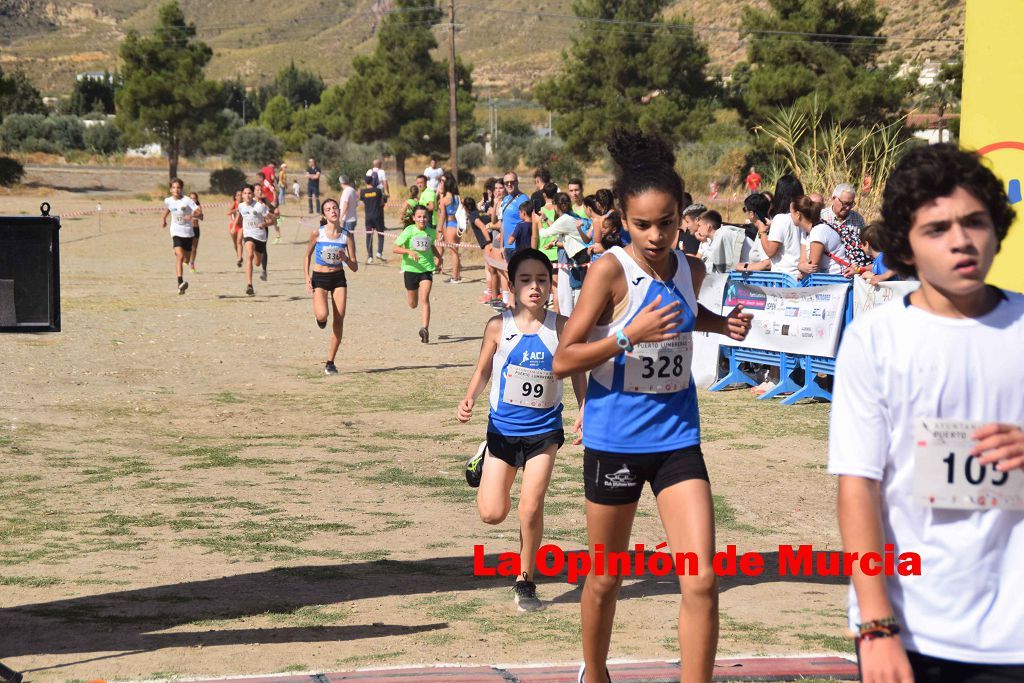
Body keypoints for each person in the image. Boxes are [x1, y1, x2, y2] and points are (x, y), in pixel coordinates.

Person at [552, 129, 752, 683]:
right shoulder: (609, 270)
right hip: (615, 441)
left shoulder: (691, 268)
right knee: (606, 578)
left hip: (677, 441)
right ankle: (594, 672)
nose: (657, 234)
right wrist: (625, 335)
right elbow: (564, 359)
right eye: (643, 224)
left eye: (667, 222)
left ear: (681, 215)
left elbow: (686, 315)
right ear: (622, 216)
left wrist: (722, 324)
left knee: (702, 579)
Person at [829, 143, 1024, 683]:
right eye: (937, 229)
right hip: (915, 630)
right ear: (906, 248)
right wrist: (877, 625)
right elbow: (858, 485)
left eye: (975, 222)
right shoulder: (874, 340)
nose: (961, 240)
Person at [458, 248, 587, 612]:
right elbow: (484, 369)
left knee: (530, 507)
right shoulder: (499, 326)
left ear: (551, 285)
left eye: (542, 280)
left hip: (544, 431)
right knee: (492, 513)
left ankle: (525, 579)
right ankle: (483, 456)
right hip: (501, 431)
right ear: (511, 285)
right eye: (526, 280)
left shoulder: (562, 327)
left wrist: (584, 408)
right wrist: (469, 398)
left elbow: (578, 369)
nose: (535, 287)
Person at [304, 198, 358, 376]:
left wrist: (345, 259)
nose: (333, 211)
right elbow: (307, 257)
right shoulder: (317, 233)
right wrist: (307, 279)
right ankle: (320, 318)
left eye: (335, 208)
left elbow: (355, 267)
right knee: (322, 315)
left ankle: (330, 362)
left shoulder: (347, 235)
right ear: (324, 214)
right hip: (319, 278)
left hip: (338, 278)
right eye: (328, 209)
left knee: (339, 319)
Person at [393, 205, 435, 343]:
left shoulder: (431, 232)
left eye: (424, 217)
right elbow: (395, 248)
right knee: (413, 304)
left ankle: (425, 329)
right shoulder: (409, 231)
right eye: (419, 217)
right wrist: (409, 252)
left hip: (426, 269)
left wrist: (439, 257)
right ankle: (412, 301)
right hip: (410, 270)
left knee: (425, 299)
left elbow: (431, 246)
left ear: (428, 218)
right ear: (414, 218)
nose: (422, 219)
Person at [755, 174, 804, 279]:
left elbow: (770, 252)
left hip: (783, 278)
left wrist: (762, 232)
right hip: (800, 276)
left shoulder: (780, 219)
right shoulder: (802, 216)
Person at [161, 178, 202, 295]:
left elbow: (200, 213)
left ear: (181, 189)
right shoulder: (168, 200)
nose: (176, 190)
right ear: (170, 189)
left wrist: (192, 215)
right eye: (173, 187)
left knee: (186, 259)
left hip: (188, 233)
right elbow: (169, 208)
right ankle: (180, 283)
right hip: (176, 231)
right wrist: (164, 218)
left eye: (178, 187)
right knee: (179, 256)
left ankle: (186, 259)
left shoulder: (187, 200)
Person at [792, 195, 847, 277]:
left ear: (798, 214)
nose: (790, 216)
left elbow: (812, 268)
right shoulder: (806, 233)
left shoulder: (817, 232)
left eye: (791, 213)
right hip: (827, 279)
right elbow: (802, 263)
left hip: (838, 279)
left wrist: (801, 268)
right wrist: (800, 266)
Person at [821, 183, 870, 272]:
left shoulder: (858, 219)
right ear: (833, 199)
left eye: (851, 204)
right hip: (827, 271)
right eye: (844, 203)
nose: (847, 208)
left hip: (852, 271)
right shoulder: (821, 217)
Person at [238, 184, 270, 296]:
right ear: (242, 195)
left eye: (249, 193)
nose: (247, 195)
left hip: (260, 236)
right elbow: (240, 219)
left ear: (253, 194)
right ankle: (249, 285)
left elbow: (272, 220)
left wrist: (264, 223)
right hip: (248, 235)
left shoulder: (260, 206)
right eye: (245, 193)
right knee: (249, 255)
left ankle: (260, 267)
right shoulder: (240, 206)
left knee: (257, 263)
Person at [695, 210, 746, 274]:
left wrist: (705, 242)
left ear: (708, 227)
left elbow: (713, 260)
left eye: (699, 225)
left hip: (749, 271)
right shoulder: (717, 237)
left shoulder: (722, 234)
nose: (698, 229)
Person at [736, 193, 772, 272]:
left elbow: (767, 263)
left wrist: (744, 266)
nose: (745, 213)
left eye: (745, 210)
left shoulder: (765, 231)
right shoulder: (764, 228)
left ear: (752, 214)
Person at [439, 171, 463, 283]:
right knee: (456, 251)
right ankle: (457, 275)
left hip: (450, 226)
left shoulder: (444, 200)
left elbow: (442, 216)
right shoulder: (457, 197)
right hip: (458, 226)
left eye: (442, 181)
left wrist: (439, 229)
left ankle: (455, 277)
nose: (441, 183)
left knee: (453, 252)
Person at [359, 174, 386, 265]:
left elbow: (362, 202)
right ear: (372, 181)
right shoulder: (378, 191)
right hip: (377, 216)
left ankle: (370, 257)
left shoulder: (362, 192)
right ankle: (379, 252)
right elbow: (382, 203)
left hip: (368, 217)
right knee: (381, 234)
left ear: (365, 182)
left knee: (369, 236)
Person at [338, 175, 359, 261]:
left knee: (347, 240)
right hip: (352, 218)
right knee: (349, 239)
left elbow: (345, 205)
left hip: (348, 219)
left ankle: (350, 258)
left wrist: (340, 217)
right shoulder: (352, 190)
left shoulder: (347, 191)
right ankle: (351, 257)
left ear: (341, 182)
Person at [228, 189, 244, 268]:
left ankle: (239, 258)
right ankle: (238, 254)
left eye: (241, 195)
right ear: (235, 197)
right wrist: (235, 210)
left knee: (239, 241)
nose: (239, 196)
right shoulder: (234, 204)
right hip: (233, 226)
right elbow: (228, 212)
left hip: (242, 226)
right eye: (238, 195)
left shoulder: (245, 204)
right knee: (235, 244)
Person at [188, 192, 203, 272]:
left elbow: (201, 217)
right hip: (187, 228)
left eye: (194, 198)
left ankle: (192, 263)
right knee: (187, 246)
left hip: (196, 228)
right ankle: (185, 258)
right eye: (191, 198)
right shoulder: (186, 207)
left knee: (194, 248)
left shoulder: (198, 207)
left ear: (197, 199)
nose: (192, 200)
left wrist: (193, 215)